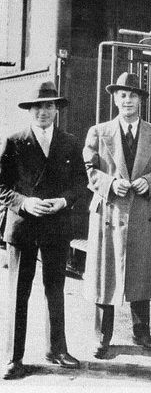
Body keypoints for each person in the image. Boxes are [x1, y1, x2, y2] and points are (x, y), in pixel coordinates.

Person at [0, 81, 87, 379]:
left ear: (56, 109)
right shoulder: (14, 141)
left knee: (55, 289)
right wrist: (24, 202)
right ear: (30, 110)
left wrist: (63, 201)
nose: (43, 112)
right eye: (37, 107)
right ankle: (14, 357)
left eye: (49, 106)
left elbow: (80, 182)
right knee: (19, 293)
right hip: (23, 226)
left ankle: (57, 349)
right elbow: (2, 186)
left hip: (56, 225)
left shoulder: (69, 142)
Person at [83, 72, 151, 359]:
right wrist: (109, 183)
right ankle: (102, 336)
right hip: (110, 209)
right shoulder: (99, 131)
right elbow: (89, 169)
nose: (127, 100)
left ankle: (141, 332)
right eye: (122, 95)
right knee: (105, 275)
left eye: (132, 95)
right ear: (115, 99)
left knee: (141, 272)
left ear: (141, 100)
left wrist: (150, 182)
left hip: (142, 211)